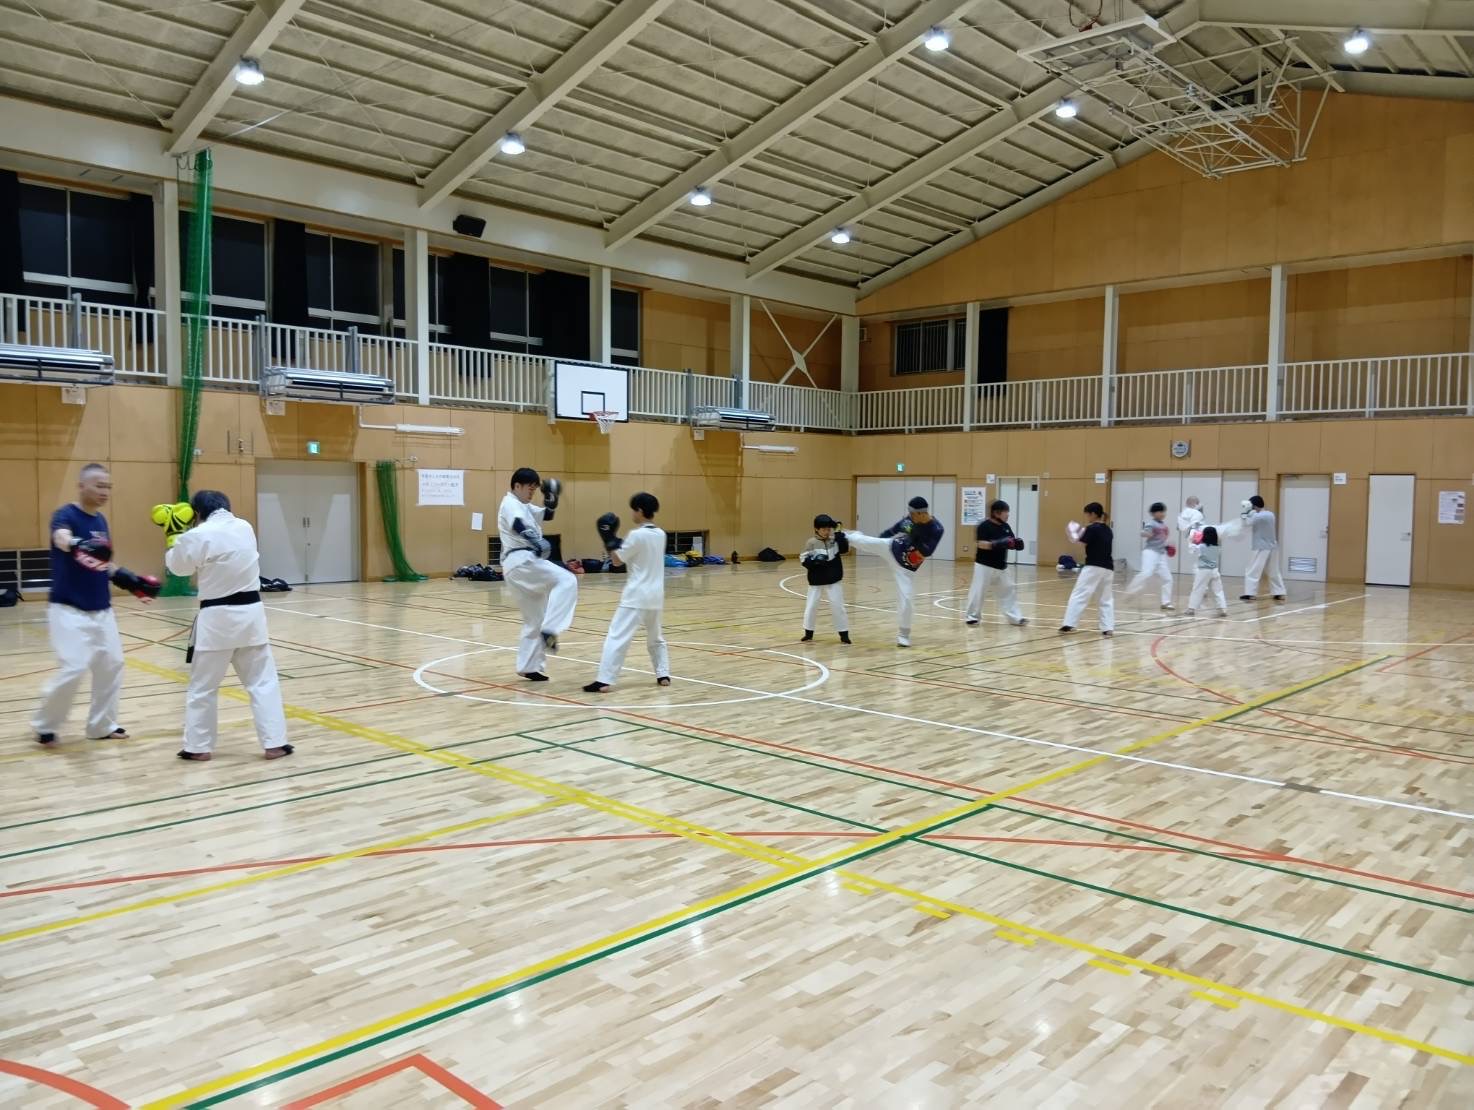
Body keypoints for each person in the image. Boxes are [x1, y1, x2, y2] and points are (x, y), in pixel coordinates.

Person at [32, 463, 159, 746]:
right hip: (68, 609)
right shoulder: (66, 514)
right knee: (74, 667)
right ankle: (45, 723)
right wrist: (76, 543)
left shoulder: (101, 521)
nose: (105, 491)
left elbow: (101, 561)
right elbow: (61, 538)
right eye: (99, 485)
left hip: (101, 609)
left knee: (112, 665)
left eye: (108, 487)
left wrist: (129, 580)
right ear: (82, 486)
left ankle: (101, 725)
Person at [165, 491, 290, 762]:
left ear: (197, 513)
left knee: (203, 687)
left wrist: (174, 536)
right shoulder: (245, 527)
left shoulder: (197, 534)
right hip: (251, 617)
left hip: (217, 620)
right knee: (263, 683)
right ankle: (276, 743)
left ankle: (198, 747)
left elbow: (178, 569)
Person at [583, 492, 670, 693]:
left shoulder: (636, 535)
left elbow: (616, 561)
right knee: (655, 637)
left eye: (633, 510)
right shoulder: (661, 534)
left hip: (636, 595)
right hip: (656, 595)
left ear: (639, 510)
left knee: (616, 636)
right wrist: (615, 540)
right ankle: (663, 674)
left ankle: (604, 680)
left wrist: (608, 538)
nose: (632, 514)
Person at [498, 468, 576, 680]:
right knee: (567, 579)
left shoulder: (524, 505)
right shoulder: (510, 503)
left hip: (515, 568)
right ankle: (551, 629)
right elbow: (517, 524)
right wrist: (534, 539)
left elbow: (547, 514)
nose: (532, 492)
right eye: (529, 488)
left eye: (535, 489)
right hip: (522, 560)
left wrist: (552, 498)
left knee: (534, 620)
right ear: (517, 486)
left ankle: (528, 667)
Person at [846, 496, 945, 647]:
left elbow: (927, 551)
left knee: (907, 600)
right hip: (892, 547)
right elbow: (893, 530)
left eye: (912, 513)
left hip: (905, 569)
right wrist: (880, 541)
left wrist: (916, 537)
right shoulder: (909, 520)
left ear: (921, 513)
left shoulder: (936, 528)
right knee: (865, 542)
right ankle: (843, 535)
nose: (910, 516)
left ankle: (903, 635)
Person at [965, 499, 1027, 627]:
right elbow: (980, 544)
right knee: (978, 592)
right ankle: (972, 617)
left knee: (1008, 592)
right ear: (997, 513)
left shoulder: (1006, 527)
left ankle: (1016, 618)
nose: (1008, 515)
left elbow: (1010, 541)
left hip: (1001, 566)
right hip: (984, 565)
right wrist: (997, 544)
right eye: (1006, 512)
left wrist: (1015, 544)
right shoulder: (984, 526)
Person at [1060, 502, 1115, 636]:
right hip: (1108, 568)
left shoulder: (1092, 528)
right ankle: (1108, 627)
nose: (1087, 517)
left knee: (1079, 594)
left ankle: (1069, 624)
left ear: (1093, 514)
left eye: (1087, 514)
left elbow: (1081, 543)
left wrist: (1072, 534)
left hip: (1094, 566)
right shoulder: (1108, 529)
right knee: (1105, 598)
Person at [800, 514, 850, 644]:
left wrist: (838, 532)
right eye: (823, 529)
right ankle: (808, 633)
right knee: (811, 606)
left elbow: (845, 549)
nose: (826, 532)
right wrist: (814, 562)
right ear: (816, 529)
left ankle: (844, 634)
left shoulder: (834, 540)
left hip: (833, 579)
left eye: (828, 529)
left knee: (838, 606)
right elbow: (803, 560)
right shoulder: (811, 542)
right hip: (816, 580)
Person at [1123, 500, 1175, 610]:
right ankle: (1131, 591)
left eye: (1163, 511)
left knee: (1168, 578)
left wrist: (1168, 546)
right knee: (1147, 572)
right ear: (1153, 513)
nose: (1162, 514)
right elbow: (1143, 533)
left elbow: (1163, 540)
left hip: (1161, 554)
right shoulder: (1151, 524)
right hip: (1150, 552)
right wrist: (1148, 533)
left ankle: (1166, 602)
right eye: (1160, 511)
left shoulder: (1164, 526)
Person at [1240, 494, 1286, 602]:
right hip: (1273, 546)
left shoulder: (1259, 516)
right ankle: (1279, 592)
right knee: (1274, 571)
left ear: (1254, 506)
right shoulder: (1270, 514)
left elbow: (1246, 523)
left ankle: (1250, 594)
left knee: (1252, 570)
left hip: (1261, 547)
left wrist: (1245, 513)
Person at [1186, 525, 1229, 617]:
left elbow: (1191, 549)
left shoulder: (1201, 547)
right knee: (1218, 590)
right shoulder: (1217, 547)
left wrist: (1190, 539)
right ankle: (1222, 609)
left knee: (1197, 589)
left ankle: (1191, 608)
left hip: (1203, 571)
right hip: (1215, 570)